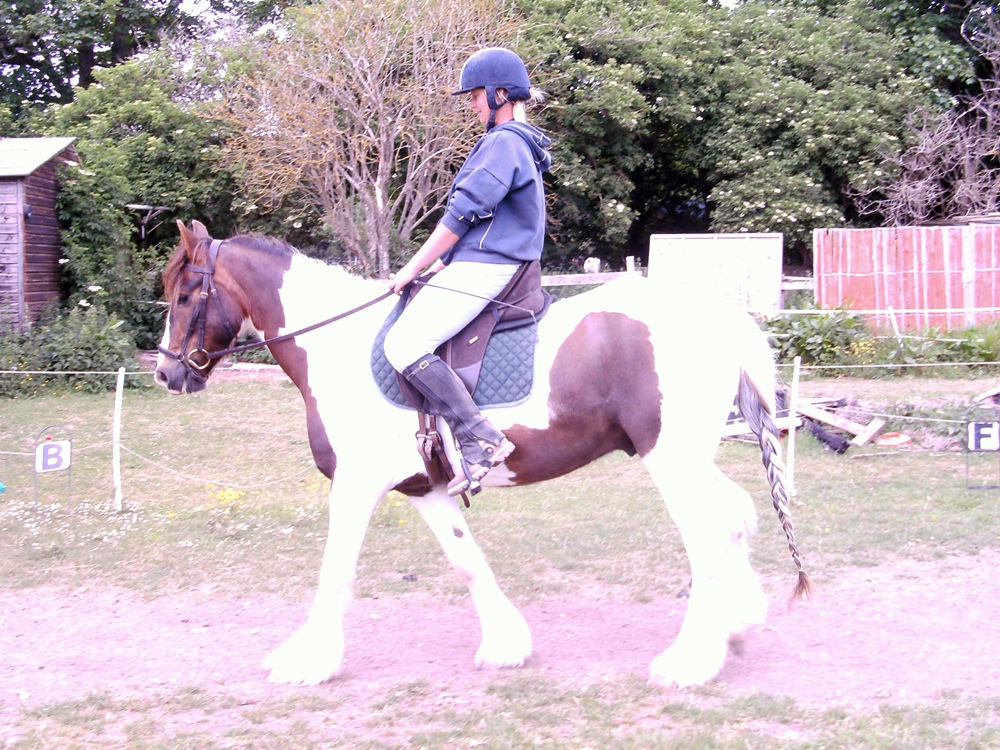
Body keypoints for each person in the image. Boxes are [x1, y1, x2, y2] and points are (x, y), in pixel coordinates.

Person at [383, 47, 552, 496]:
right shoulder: (518, 143)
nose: (473, 104)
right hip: (485, 261)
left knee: (402, 343)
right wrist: (445, 261)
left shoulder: (504, 142)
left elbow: (463, 214)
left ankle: (480, 437)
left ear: (500, 93)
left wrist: (412, 266)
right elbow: (488, 221)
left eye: (476, 94)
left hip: (489, 267)